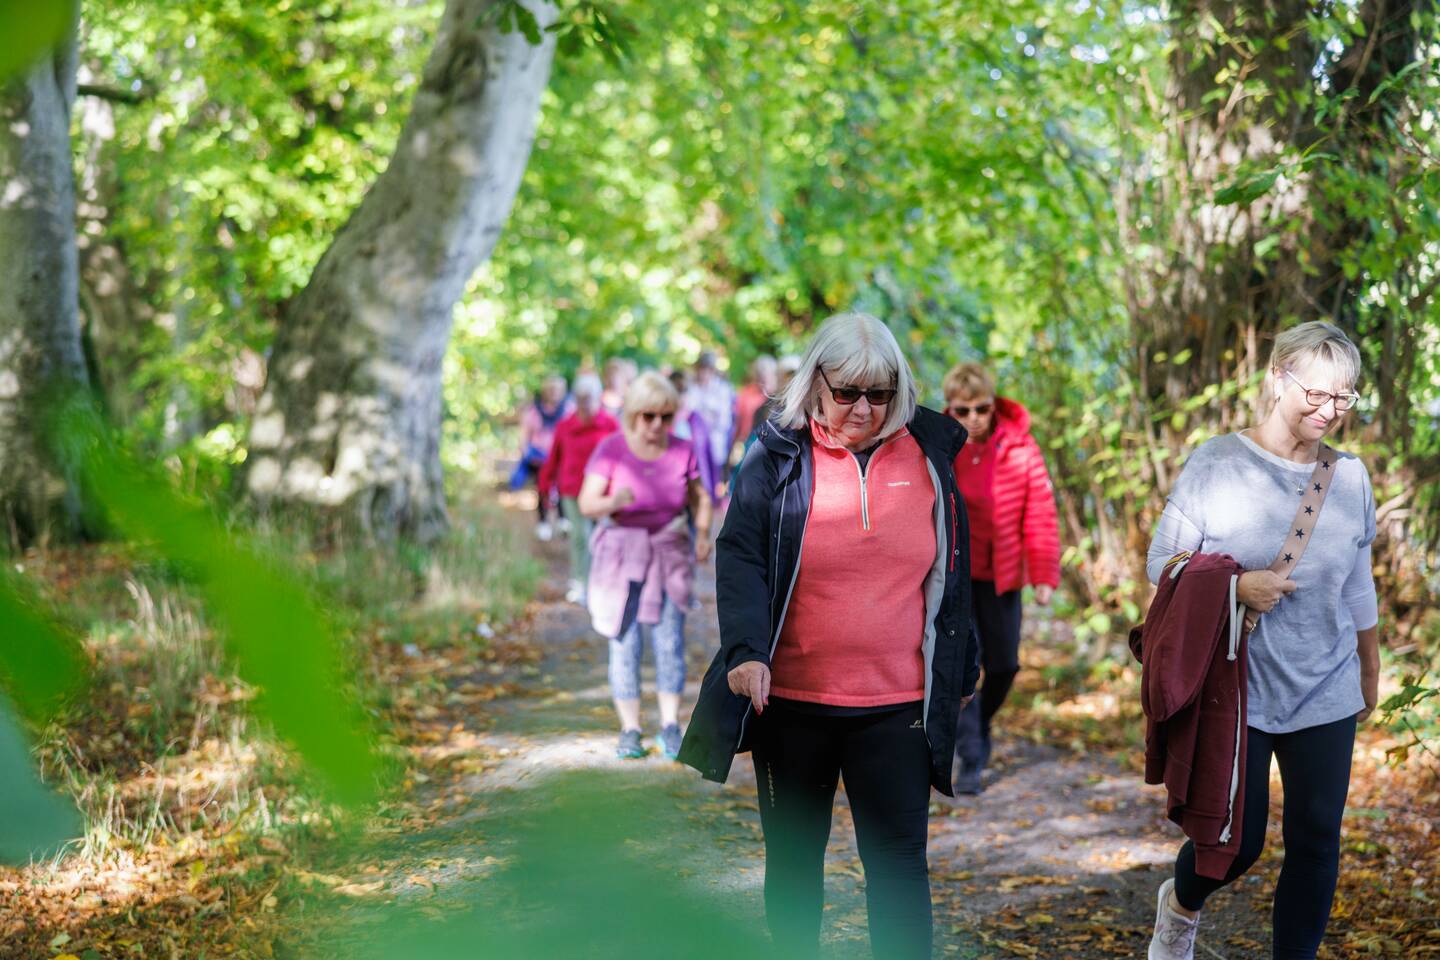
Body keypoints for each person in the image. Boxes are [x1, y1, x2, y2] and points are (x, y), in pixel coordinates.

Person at [679, 312, 980, 960]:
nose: (864, 409)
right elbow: (740, 556)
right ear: (815, 382)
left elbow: (954, 567)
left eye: (879, 392)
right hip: (792, 701)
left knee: (899, 867)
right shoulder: (778, 454)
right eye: (847, 392)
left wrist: (964, 663)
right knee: (793, 864)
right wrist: (745, 652)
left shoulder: (930, 450)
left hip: (898, 704)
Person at [1144, 321, 1379, 960]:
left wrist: (1369, 664)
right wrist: (1236, 587)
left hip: (1325, 684)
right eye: (1318, 393)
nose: (1330, 411)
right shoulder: (1217, 462)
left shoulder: (1351, 477)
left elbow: (1357, 579)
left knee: (1315, 841)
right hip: (1236, 688)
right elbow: (1161, 564)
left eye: (1345, 397)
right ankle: (1182, 905)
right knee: (1235, 843)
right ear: (1276, 377)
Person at [579, 372, 714, 760]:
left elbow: (700, 498)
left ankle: (671, 726)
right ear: (634, 414)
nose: (657, 425)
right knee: (624, 641)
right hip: (622, 555)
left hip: (668, 551)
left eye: (666, 417)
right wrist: (614, 500)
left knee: (670, 640)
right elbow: (588, 503)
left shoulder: (682, 450)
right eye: (649, 416)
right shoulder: (611, 449)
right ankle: (630, 729)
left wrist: (702, 533)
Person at [941, 363, 1060, 794]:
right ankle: (970, 756)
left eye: (981, 408)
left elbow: (1040, 511)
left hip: (1002, 575)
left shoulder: (1020, 447)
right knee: (961, 668)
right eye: (962, 410)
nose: (973, 418)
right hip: (954, 578)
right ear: (950, 409)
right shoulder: (939, 447)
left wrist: (1044, 574)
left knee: (1005, 663)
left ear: (994, 407)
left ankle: (980, 724)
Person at [539, 373, 619, 604]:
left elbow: (621, 457)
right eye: (581, 398)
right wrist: (545, 485)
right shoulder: (566, 426)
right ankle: (580, 582)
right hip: (572, 490)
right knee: (580, 536)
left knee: (602, 536)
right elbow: (553, 457)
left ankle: (602, 582)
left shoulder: (610, 424)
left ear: (598, 398)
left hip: (604, 493)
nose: (585, 404)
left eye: (589, 398)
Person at [515, 375, 571, 541]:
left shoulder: (568, 409)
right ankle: (543, 523)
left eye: (557, 390)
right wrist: (525, 452)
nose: (554, 393)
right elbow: (524, 434)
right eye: (551, 389)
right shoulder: (534, 411)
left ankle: (563, 520)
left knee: (562, 485)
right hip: (539, 458)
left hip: (562, 457)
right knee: (542, 487)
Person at [667, 368, 722, 505]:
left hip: (694, 484)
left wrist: (710, 492)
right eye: (679, 392)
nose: (682, 397)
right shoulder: (663, 419)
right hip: (672, 485)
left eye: (684, 392)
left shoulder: (697, 420)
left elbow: (707, 455)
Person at [686, 350, 736, 488]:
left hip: (715, 444)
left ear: (712, 370)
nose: (703, 373)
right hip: (694, 445)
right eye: (701, 368)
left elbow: (724, 422)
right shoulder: (692, 388)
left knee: (714, 484)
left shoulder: (723, 389)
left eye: (707, 369)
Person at [732, 355, 778, 465]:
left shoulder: (777, 397)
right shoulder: (746, 393)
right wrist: (736, 443)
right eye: (759, 374)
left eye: (766, 374)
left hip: (769, 449)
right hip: (745, 443)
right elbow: (737, 421)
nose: (762, 378)